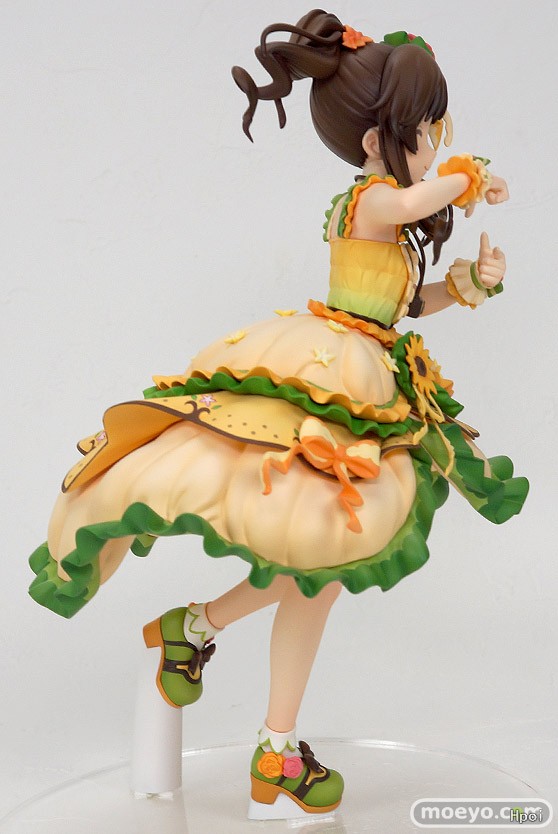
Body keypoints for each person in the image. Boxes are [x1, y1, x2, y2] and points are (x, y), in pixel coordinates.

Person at [28, 10, 528, 820]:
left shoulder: (393, 215)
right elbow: (419, 199)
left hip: (371, 371)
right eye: (426, 132)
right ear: (377, 142)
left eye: (439, 134)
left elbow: (405, 304)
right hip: (334, 378)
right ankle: (266, 734)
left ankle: (212, 653)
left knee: (319, 561)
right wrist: (473, 176)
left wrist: (469, 285)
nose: (436, 147)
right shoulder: (371, 200)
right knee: (315, 557)